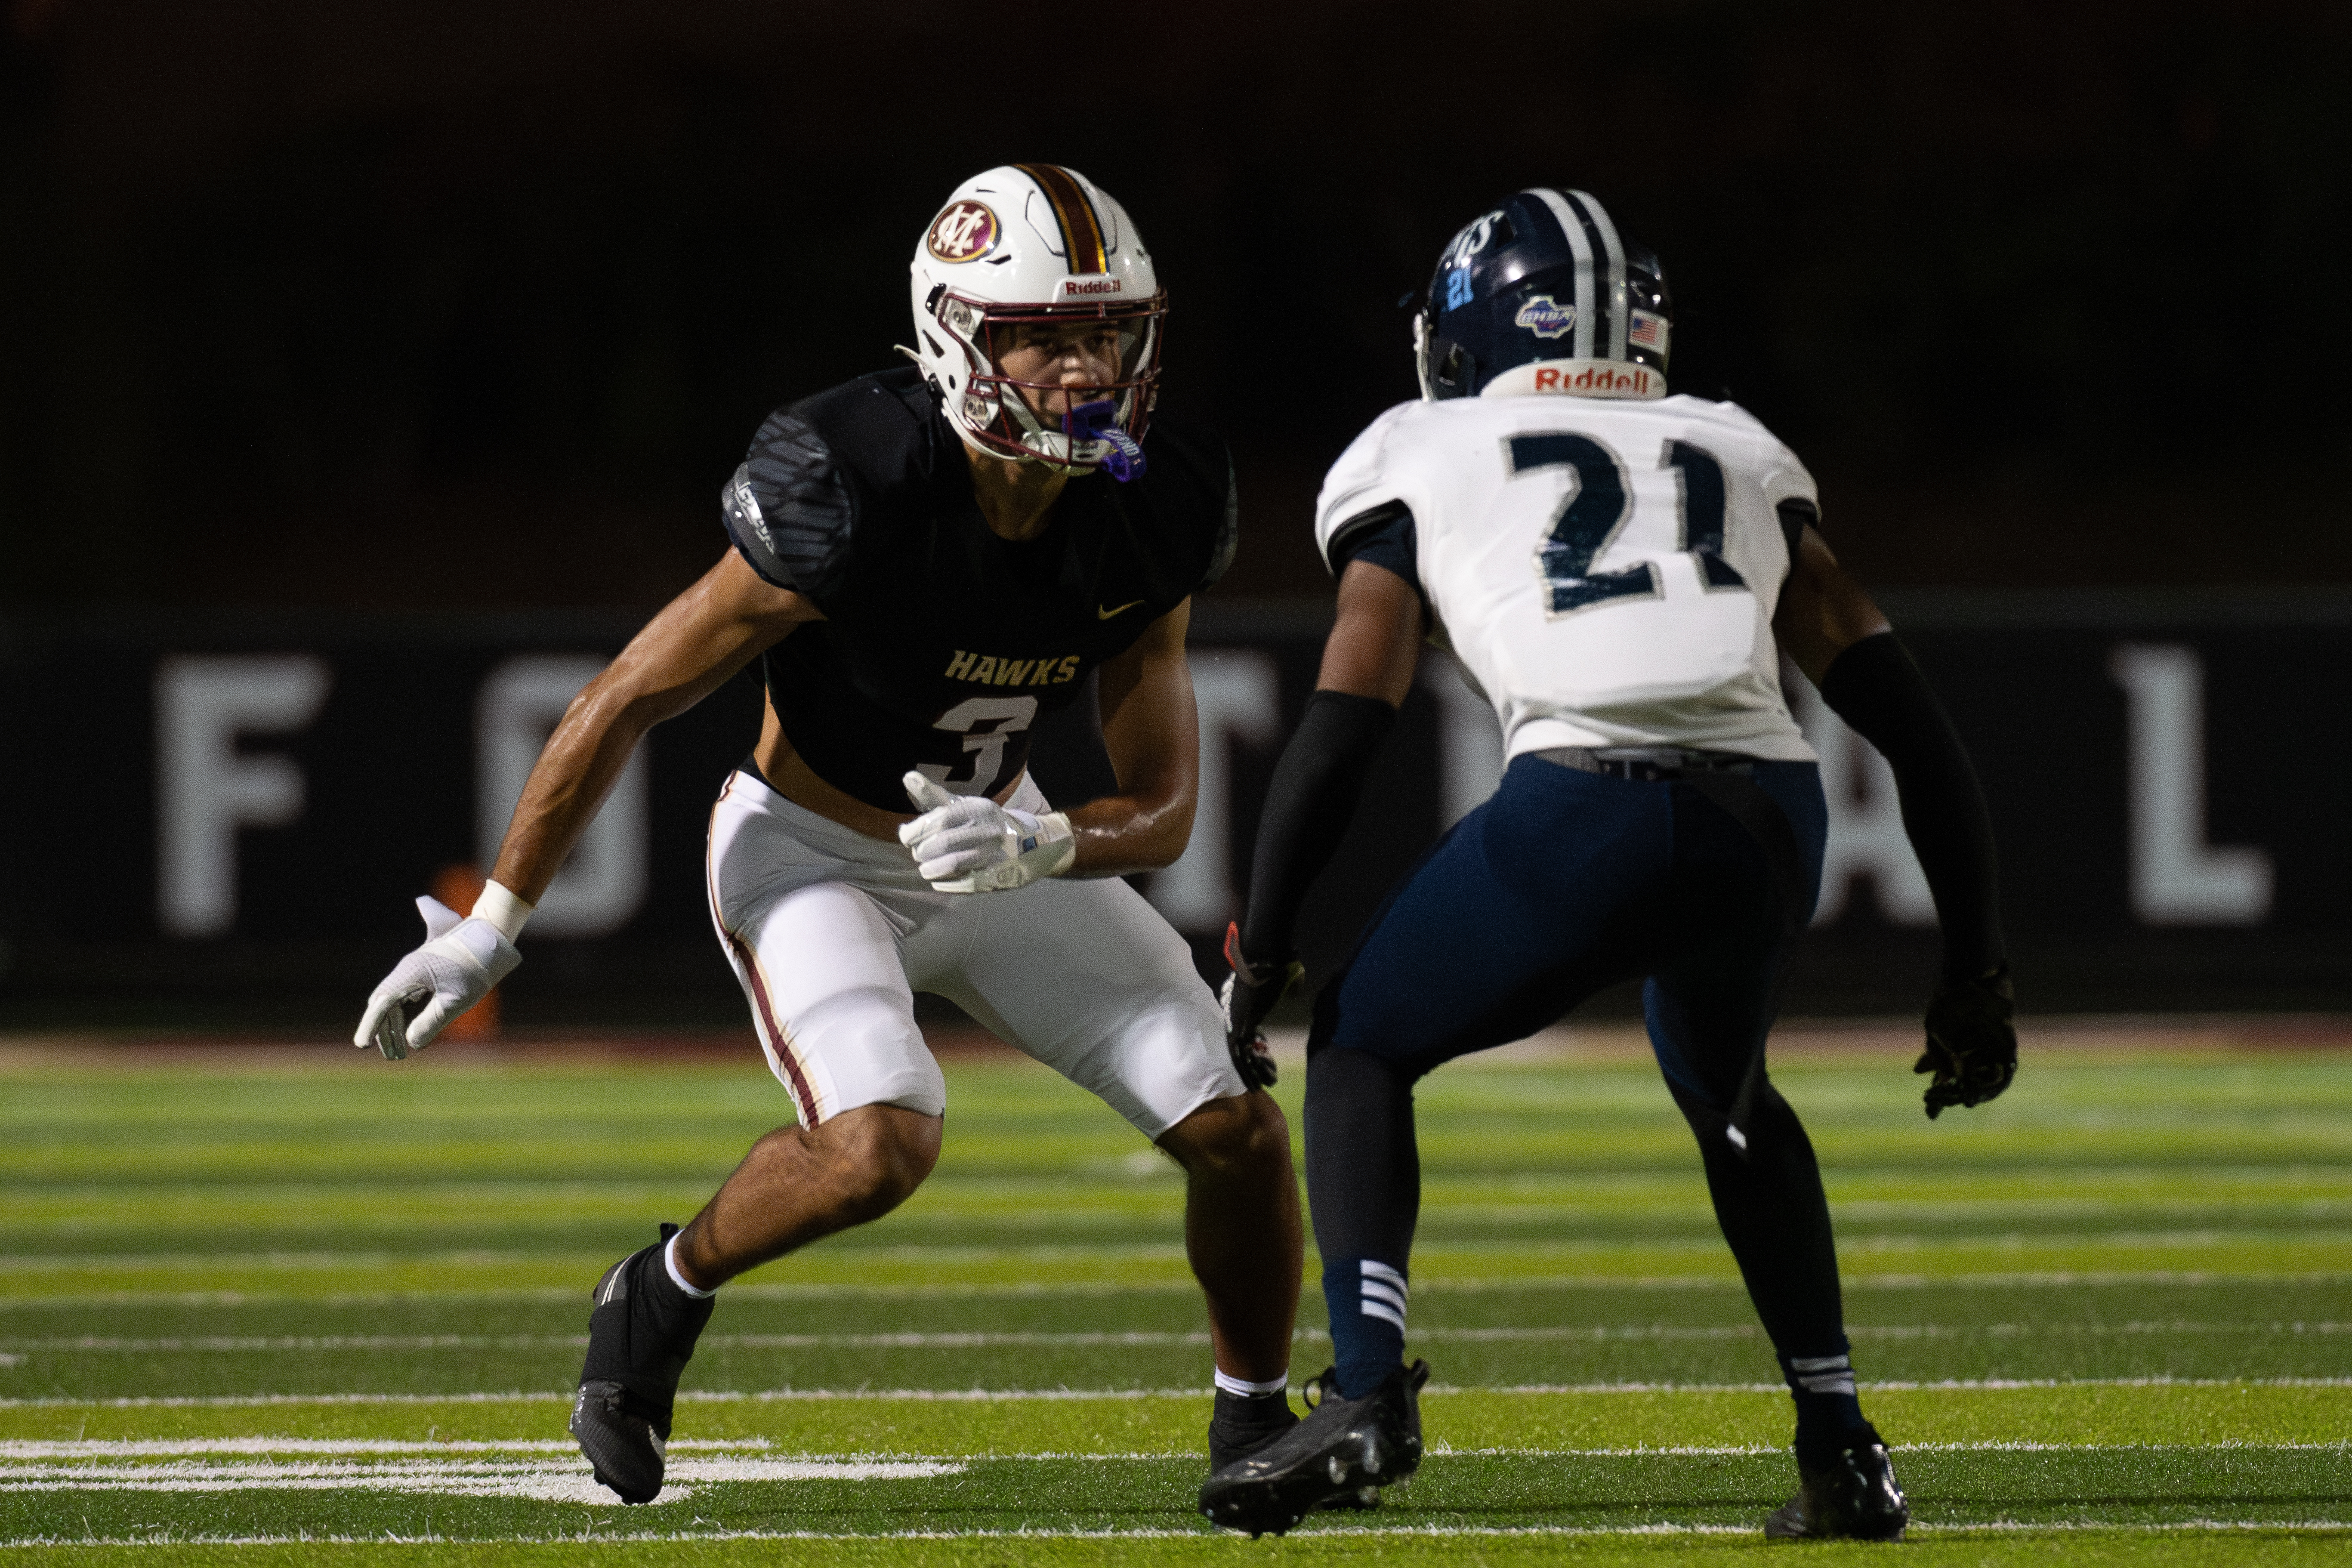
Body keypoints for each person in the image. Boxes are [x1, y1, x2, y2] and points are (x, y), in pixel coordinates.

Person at [351, 163, 1304, 1505]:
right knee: (878, 1145)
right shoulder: (853, 475)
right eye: (1041, 333)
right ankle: (659, 1291)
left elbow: (1164, 804)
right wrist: (496, 926)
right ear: (957, 336)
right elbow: (628, 694)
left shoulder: (1155, 496)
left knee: (1239, 1132)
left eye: (1106, 333)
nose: (1085, 368)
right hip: (811, 853)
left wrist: (1048, 850)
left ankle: (1254, 1423)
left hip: (999, 845)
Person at [1196, 188, 2015, 1539]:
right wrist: (1976, 969)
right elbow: (1916, 733)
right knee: (1731, 1090)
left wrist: (1265, 941)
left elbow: (1346, 723)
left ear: (1464, 335)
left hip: (1587, 802)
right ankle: (1840, 1447)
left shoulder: (1421, 445)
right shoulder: (1737, 444)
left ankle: (1362, 1392)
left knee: (1358, 1041)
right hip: (1769, 813)